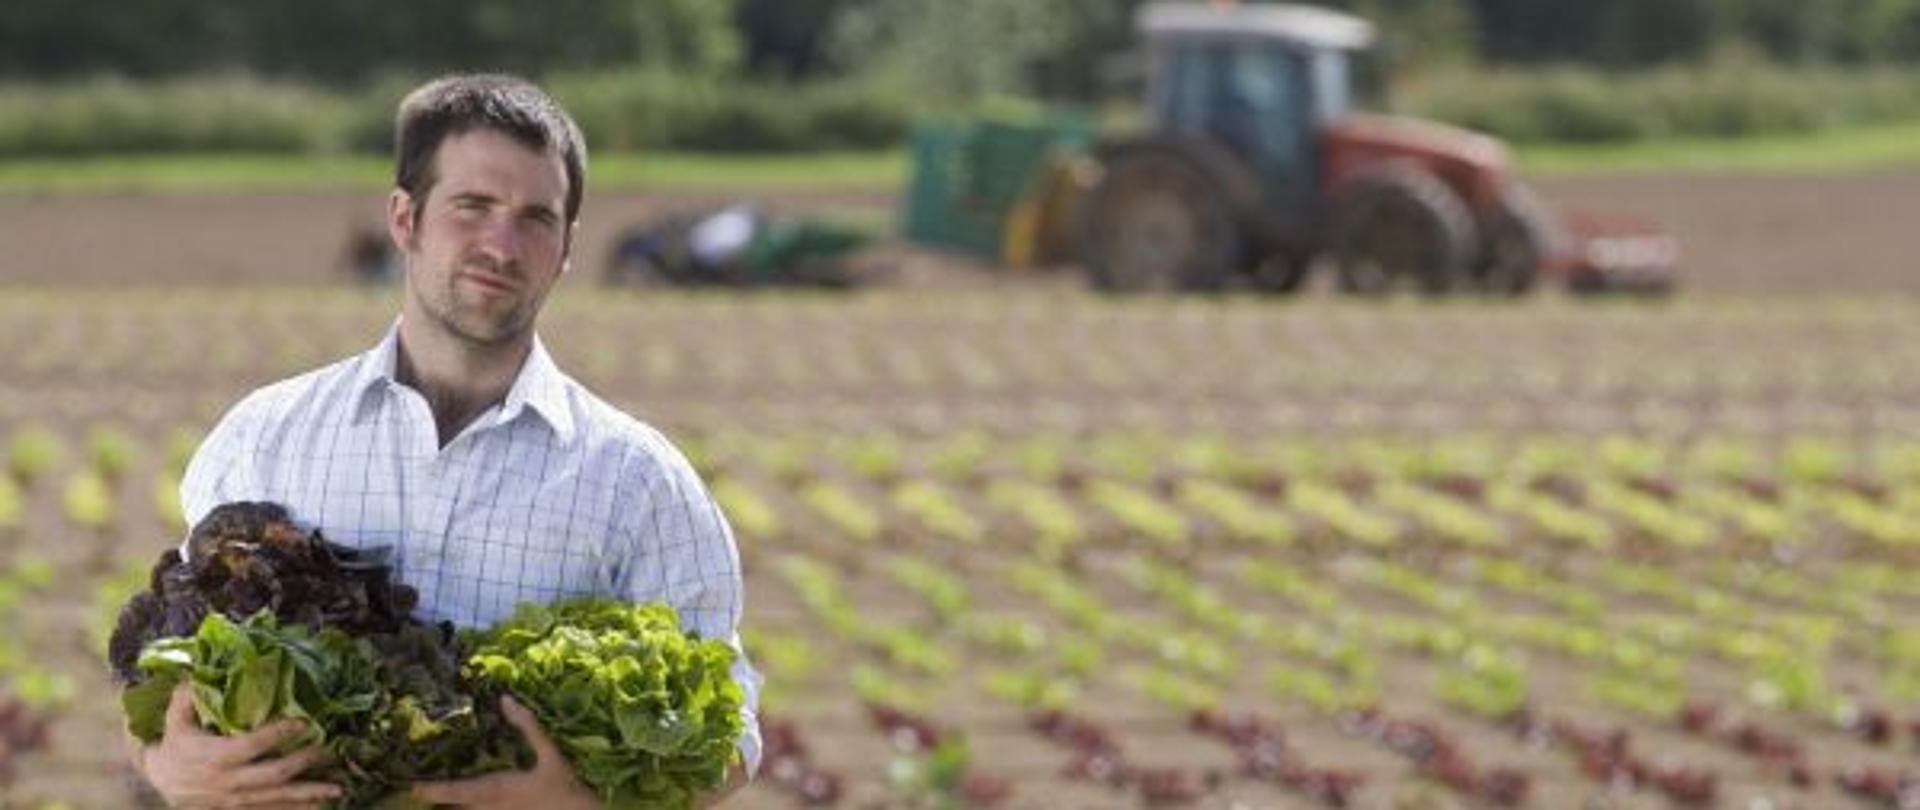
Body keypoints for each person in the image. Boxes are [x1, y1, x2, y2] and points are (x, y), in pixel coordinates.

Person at [124, 73, 761, 809]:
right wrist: (160, 764)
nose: (502, 243)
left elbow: (733, 729)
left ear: (565, 248)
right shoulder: (264, 438)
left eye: (536, 218)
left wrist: (578, 804)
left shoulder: (638, 481)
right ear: (405, 219)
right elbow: (161, 675)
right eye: (473, 207)